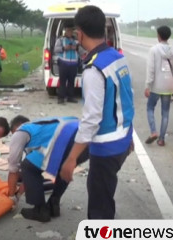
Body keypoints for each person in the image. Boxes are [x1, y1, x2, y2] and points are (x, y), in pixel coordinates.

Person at [60, 6, 135, 220]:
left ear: (80, 33)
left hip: (106, 148)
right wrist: (129, 135)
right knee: (105, 192)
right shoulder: (116, 57)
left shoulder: (94, 69)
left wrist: (71, 158)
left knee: (100, 200)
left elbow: (91, 119)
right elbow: (127, 99)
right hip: (122, 141)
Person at [7, 115, 89, 222]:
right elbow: (30, 177)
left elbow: (13, 169)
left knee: (27, 167)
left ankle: (40, 211)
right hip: (86, 141)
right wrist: (19, 194)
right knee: (62, 169)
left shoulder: (20, 132)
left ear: (15, 129)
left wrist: (12, 196)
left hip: (68, 138)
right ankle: (53, 205)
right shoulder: (41, 126)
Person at [145, 26, 173, 147]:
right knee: (165, 112)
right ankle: (161, 139)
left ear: (158, 35)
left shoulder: (154, 50)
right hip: (169, 84)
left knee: (150, 108)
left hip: (156, 85)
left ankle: (153, 131)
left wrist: (148, 85)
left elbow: (151, 69)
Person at [54, 25, 80, 104]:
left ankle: (70, 97)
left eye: (71, 31)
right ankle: (61, 98)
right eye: (68, 31)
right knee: (62, 82)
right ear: (65, 31)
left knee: (71, 82)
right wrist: (64, 48)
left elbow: (82, 51)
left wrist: (76, 48)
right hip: (63, 63)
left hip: (73, 64)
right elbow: (56, 50)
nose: (70, 32)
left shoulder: (76, 41)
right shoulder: (60, 40)